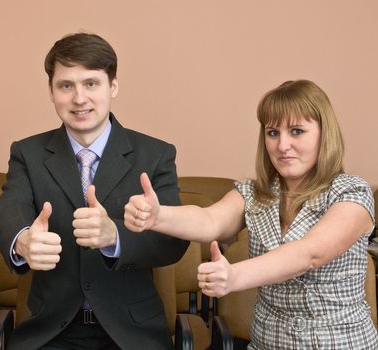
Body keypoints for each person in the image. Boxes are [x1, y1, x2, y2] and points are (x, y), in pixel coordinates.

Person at [125, 79, 378, 349]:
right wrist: (158, 216)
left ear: (324, 134)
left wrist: (234, 277)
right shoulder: (255, 193)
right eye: (272, 133)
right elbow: (209, 220)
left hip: (340, 343)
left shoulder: (351, 192)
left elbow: (309, 254)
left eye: (296, 131)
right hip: (266, 343)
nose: (282, 146)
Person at [0, 32, 188, 350]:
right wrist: (22, 238)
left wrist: (115, 237)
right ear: (52, 93)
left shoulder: (155, 154)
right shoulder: (28, 153)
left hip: (131, 334)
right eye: (66, 86)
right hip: (51, 331)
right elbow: (7, 207)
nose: (79, 98)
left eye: (91, 84)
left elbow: (172, 241)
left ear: (113, 86)